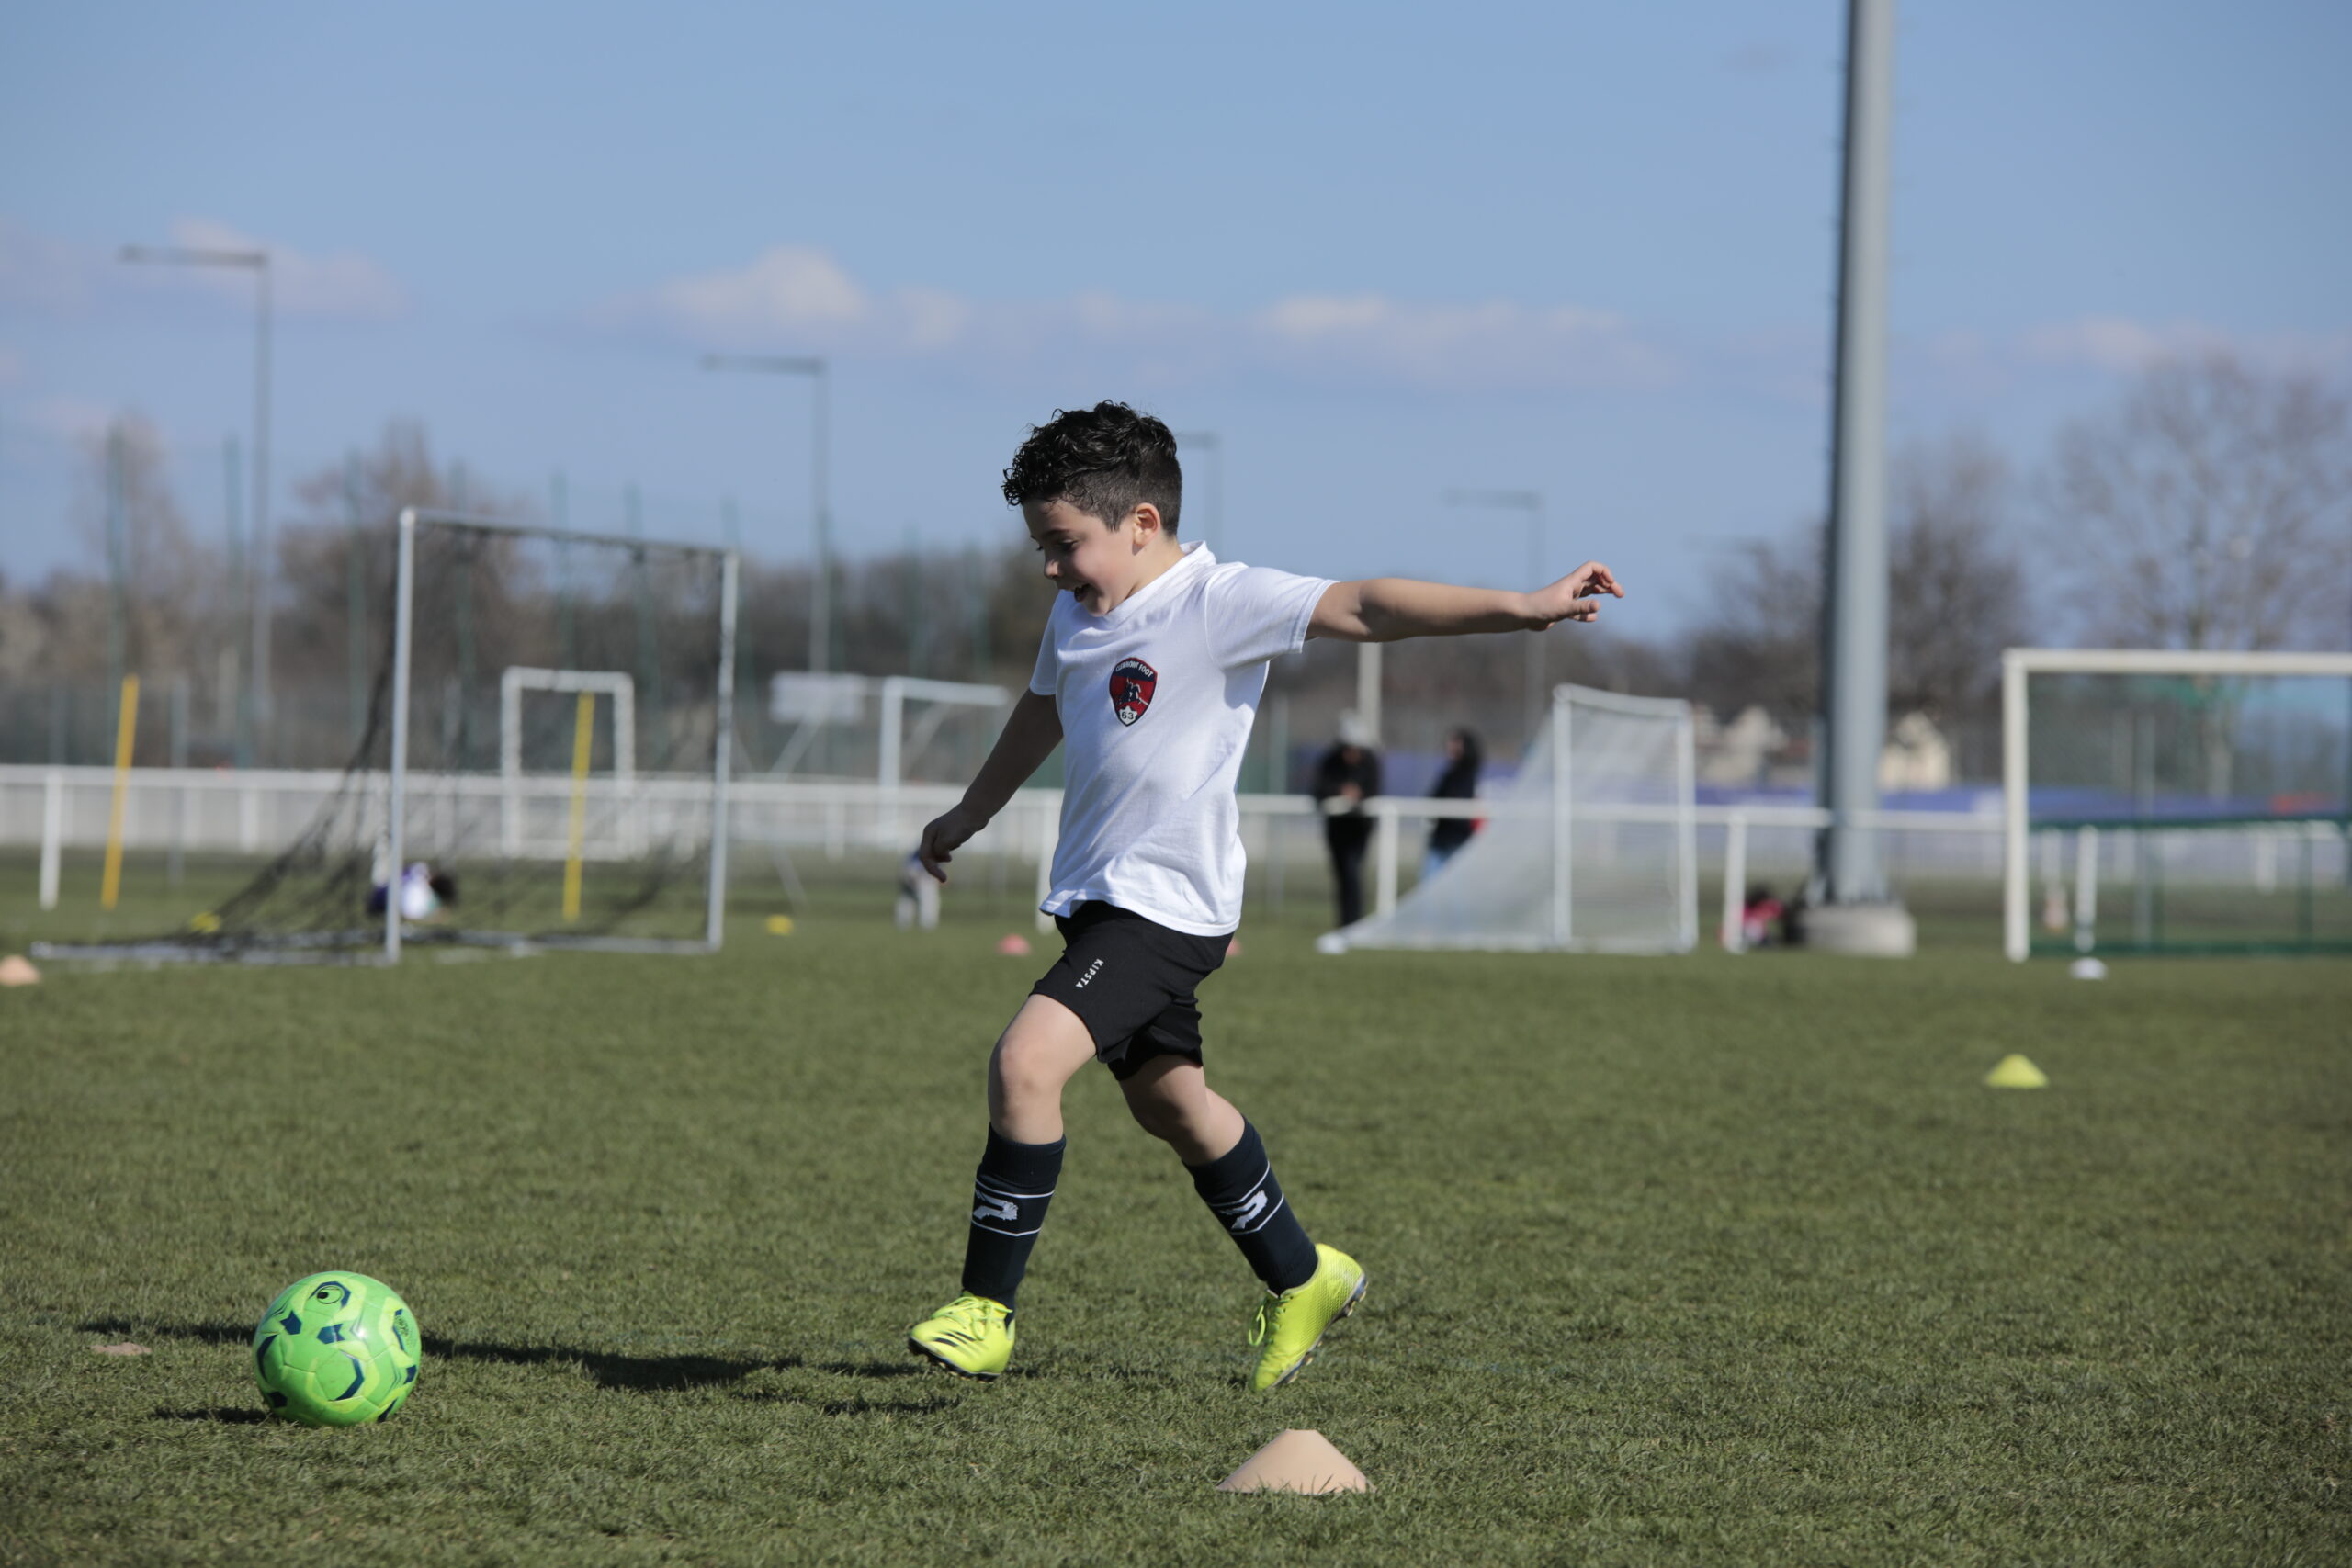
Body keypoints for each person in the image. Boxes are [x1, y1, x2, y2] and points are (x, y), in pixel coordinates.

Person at [909, 401, 1624, 1390]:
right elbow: (1040, 714)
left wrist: (1523, 605)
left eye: (1064, 544)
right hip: (1095, 900)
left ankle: (985, 1311)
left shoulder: (1219, 600)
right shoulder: (1076, 613)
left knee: (1026, 1065)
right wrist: (968, 814)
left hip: (1166, 908)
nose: (1049, 567)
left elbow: (1366, 606)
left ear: (1143, 525)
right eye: (1041, 545)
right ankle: (1303, 1275)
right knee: (1174, 1105)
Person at [1311, 714, 1382, 929]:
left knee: (1352, 873)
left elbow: (1374, 791)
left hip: (1360, 828)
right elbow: (1319, 789)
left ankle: (1354, 922)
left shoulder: (1371, 762)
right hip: (1337, 828)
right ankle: (1345, 922)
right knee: (1342, 874)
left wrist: (1358, 795)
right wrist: (1340, 791)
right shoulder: (1329, 761)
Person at [1422, 728, 1484, 882]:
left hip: (1457, 841)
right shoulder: (1448, 774)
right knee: (1430, 885)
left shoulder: (1468, 775)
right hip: (1441, 840)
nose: (1450, 746)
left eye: (1456, 742)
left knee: (1456, 889)